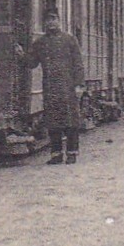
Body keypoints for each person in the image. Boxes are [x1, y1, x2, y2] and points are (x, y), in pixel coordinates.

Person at [22, 9, 86, 165]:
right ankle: (56, 154)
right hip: (50, 87)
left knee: (71, 122)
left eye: (54, 19)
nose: (51, 22)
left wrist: (79, 85)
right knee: (53, 121)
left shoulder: (70, 40)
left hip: (68, 86)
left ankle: (72, 153)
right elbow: (32, 63)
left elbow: (78, 64)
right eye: (48, 20)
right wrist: (21, 56)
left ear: (59, 21)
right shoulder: (41, 43)